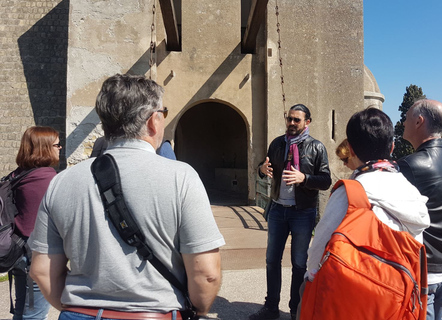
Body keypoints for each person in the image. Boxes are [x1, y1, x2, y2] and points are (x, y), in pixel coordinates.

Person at [28, 74, 225, 320]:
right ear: (154, 120)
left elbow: (42, 270)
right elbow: (207, 274)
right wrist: (199, 310)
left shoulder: (62, 182)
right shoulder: (182, 177)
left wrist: (78, 309)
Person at [305, 107, 430, 296]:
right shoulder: (411, 192)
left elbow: (318, 250)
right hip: (397, 297)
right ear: (392, 147)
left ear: (351, 150)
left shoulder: (350, 192)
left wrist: (310, 278)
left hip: (354, 295)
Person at [250, 104, 332, 320]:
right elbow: (264, 167)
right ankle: (271, 307)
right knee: (271, 260)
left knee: (298, 263)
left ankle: (296, 310)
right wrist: (261, 169)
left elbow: (326, 181)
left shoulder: (317, 148)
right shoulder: (277, 144)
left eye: (297, 120)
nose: (292, 123)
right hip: (277, 209)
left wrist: (304, 179)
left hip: (302, 213)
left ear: (307, 122)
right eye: (290, 119)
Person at [397, 99, 442, 320]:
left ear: (419, 121)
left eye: (407, 117)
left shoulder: (409, 166)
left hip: (423, 266)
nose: (403, 121)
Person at [10, 126, 61, 320]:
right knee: (35, 315)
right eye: (56, 145)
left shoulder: (18, 175)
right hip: (37, 255)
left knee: (22, 311)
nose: (60, 148)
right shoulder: (48, 178)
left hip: (18, 251)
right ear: (45, 148)